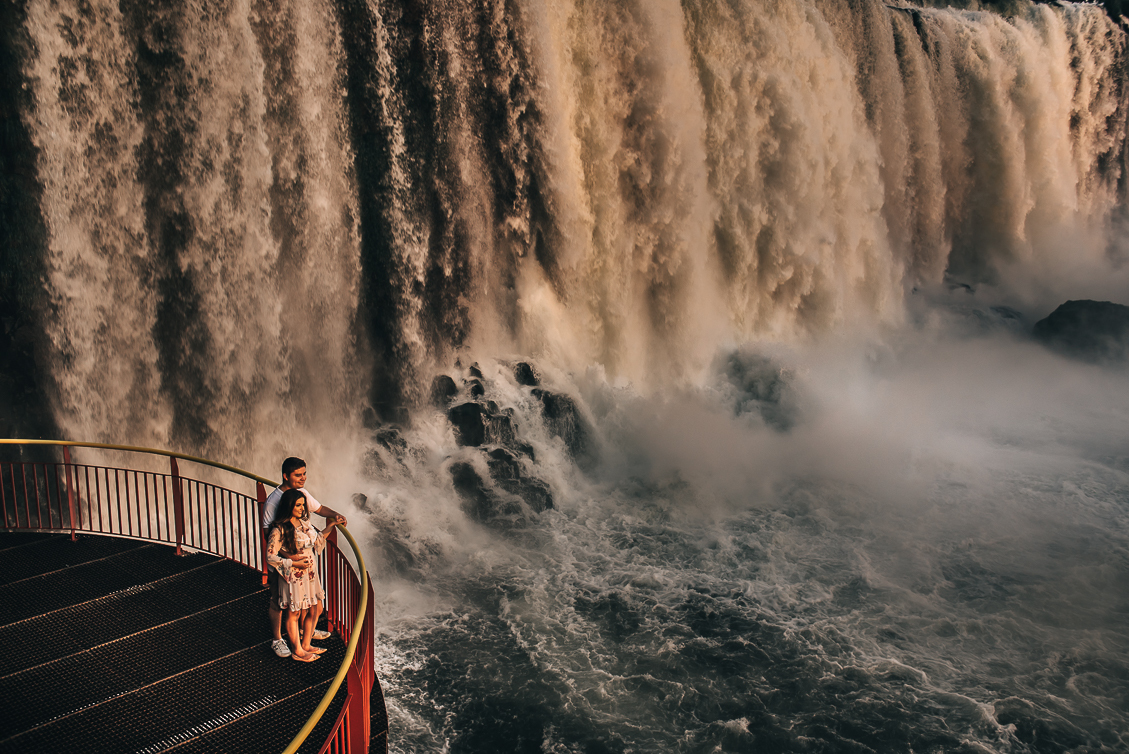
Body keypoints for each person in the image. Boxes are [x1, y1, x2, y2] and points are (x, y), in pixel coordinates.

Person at [262, 456, 348, 657]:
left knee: (306, 604)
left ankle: (303, 635)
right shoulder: (273, 501)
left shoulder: (301, 495)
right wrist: (291, 558)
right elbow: (269, 535)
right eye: (298, 475)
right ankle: (278, 640)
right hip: (285, 563)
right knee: (279, 601)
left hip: (303, 566)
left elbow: (318, 509)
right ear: (286, 476)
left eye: (304, 474)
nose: (303, 478)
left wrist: (336, 516)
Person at [267, 489, 337, 661]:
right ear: (288, 506)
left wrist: (332, 525)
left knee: (317, 608)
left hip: (310, 574)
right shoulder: (280, 529)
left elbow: (317, 540)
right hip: (294, 576)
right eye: (298, 505)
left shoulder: (304, 523)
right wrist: (293, 563)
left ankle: (306, 644)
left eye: (303, 505)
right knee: (294, 613)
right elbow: (270, 556)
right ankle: (297, 650)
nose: (302, 508)